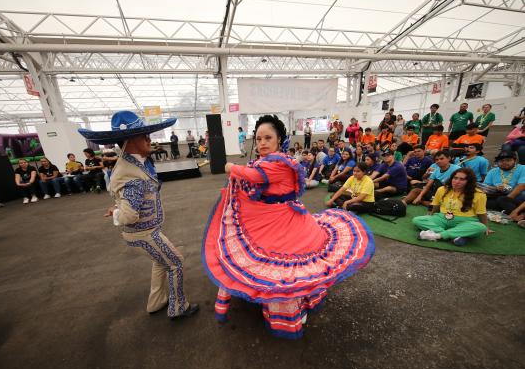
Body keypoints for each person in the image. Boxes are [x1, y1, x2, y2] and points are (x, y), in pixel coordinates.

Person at [202, 114, 374, 339]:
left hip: (285, 221)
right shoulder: (267, 160)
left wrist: (231, 166)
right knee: (260, 260)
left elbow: (254, 176)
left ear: (279, 139)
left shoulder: (280, 162)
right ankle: (275, 302)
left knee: (285, 267)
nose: (262, 143)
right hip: (268, 218)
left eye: (268, 138)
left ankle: (291, 308)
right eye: (259, 138)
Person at [78, 110, 199, 319]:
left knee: (160, 261)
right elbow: (129, 216)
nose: (149, 140)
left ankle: (156, 302)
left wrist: (118, 206)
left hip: (148, 229)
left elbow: (129, 197)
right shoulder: (130, 172)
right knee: (175, 262)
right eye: (145, 136)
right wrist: (118, 212)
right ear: (130, 141)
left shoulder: (135, 163)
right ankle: (178, 307)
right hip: (144, 233)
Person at [413, 168, 491, 246]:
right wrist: (432, 216)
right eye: (455, 178)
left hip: (464, 221)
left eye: (462, 179)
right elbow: (436, 206)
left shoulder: (479, 194)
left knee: (481, 227)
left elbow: (481, 213)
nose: (457, 181)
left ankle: (437, 235)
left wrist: (486, 227)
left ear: (469, 182)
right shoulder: (442, 189)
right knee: (417, 220)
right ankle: (456, 235)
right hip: (442, 218)